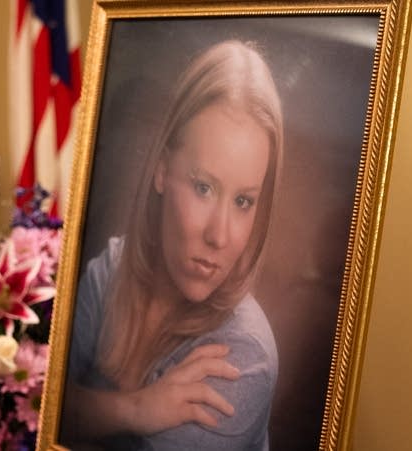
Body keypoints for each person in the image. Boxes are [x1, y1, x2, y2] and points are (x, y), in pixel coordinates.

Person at [62, 39, 284, 451]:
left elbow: (60, 412)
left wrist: (87, 409)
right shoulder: (111, 268)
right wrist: (133, 410)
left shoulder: (244, 354)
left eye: (243, 201)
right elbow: (37, 406)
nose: (219, 236)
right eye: (203, 187)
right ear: (162, 170)